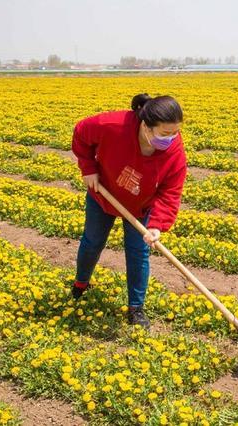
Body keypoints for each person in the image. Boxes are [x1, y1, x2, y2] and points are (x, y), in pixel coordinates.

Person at [70, 93, 187, 329]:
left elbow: (170, 191)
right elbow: (81, 133)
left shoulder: (174, 152)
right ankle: (80, 285)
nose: (171, 139)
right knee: (92, 242)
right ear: (146, 126)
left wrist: (156, 224)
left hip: (139, 205)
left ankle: (136, 308)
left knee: (138, 252)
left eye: (175, 132)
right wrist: (88, 168)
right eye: (165, 134)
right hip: (103, 193)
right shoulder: (113, 125)